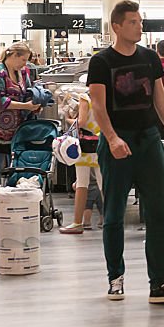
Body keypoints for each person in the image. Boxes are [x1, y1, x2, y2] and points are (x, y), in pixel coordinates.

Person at [88, 0, 164, 303]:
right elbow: (98, 106)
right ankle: (115, 277)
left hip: (148, 140)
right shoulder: (101, 62)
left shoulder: (149, 58)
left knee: (158, 211)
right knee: (115, 212)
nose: (139, 26)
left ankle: (159, 282)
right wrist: (113, 138)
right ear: (116, 27)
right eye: (133, 22)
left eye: (140, 21)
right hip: (118, 142)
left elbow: (161, 101)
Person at [0, 42, 41, 226]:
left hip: (18, 129)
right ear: (12, 56)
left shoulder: (23, 73)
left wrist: (36, 101)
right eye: (23, 59)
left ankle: (10, 208)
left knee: (15, 169)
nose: (25, 64)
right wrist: (24, 106)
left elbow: (27, 92)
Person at [59, 92, 104, 235]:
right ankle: (112, 220)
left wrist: (68, 120)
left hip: (85, 148)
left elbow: (82, 122)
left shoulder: (85, 98)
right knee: (105, 184)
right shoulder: (107, 95)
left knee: (81, 184)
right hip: (101, 144)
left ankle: (77, 223)